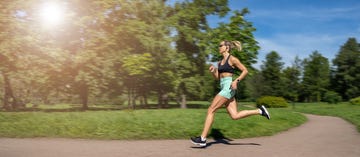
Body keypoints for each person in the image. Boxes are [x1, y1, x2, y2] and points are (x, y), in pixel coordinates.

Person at [191, 40, 270, 146]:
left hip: (228, 87)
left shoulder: (232, 59)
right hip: (224, 87)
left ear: (227, 47)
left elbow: (245, 70)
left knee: (211, 110)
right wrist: (213, 71)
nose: (219, 47)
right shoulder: (219, 62)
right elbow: (218, 78)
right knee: (235, 116)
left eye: (220, 45)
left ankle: (203, 138)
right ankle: (260, 111)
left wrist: (236, 81)